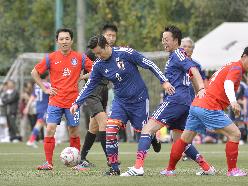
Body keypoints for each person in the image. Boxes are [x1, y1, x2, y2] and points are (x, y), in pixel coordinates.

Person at [70, 34, 175, 176]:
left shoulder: (126, 53)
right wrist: (77, 102)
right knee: (111, 129)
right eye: (96, 54)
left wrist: (164, 81)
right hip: (120, 102)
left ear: (107, 45)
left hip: (139, 100)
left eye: (100, 52)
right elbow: (89, 85)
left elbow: (149, 64)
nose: (98, 56)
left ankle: (152, 138)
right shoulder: (98, 65)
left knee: (142, 134)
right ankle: (114, 168)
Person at [162, 46, 248, 177]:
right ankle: (232, 170)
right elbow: (228, 83)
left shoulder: (231, 65)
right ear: (244, 56)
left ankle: (169, 169)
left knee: (184, 140)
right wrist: (233, 101)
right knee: (235, 134)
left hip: (197, 105)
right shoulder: (237, 68)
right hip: (208, 106)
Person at [121, 26, 208, 177]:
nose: (163, 42)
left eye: (166, 39)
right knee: (180, 141)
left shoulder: (178, 54)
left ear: (176, 41)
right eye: (162, 39)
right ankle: (207, 168)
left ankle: (138, 167)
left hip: (176, 100)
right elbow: (191, 74)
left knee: (147, 129)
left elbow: (193, 70)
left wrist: (201, 89)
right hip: (184, 102)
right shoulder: (176, 56)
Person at [31, 28, 93, 170]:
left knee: (74, 131)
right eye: (61, 39)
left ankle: (76, 163)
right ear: (57, 41)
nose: (64, 41)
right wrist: (45, 88)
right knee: (50, 129)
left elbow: (96, 69)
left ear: (71, 40)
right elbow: (34, 72)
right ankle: (48, 163)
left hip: (73, 102)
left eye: (67, 38)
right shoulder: (50, 58)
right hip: (55, 101)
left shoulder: (80, 57)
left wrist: (82, 77)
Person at [74, 24, 118, 171]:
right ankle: (111, 160)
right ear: (102, 36)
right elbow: (84, 68)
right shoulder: (92, 52)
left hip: (104, 90)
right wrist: (79, 77)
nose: (111, 38)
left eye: (113, 35)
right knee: (104, 122)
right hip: (92, 92)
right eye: (108, 35)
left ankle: (82, 158)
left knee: (94, 126)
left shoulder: (113, 52)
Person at [25, 73, 50, 148]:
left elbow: (33, 96)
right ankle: (31, 140)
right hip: (45, 107)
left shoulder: (37, 85)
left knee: (47, 124)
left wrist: (27, 106)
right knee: (39, 123)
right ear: (47, 76)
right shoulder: (48, 85)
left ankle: (51, 140)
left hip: (38, 107)